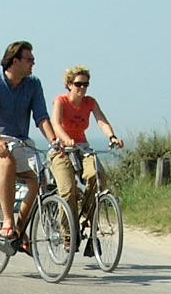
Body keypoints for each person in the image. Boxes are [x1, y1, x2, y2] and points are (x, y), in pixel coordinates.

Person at [0, 40, 64, 241]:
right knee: (7, 163)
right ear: (14, 61)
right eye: (29, 59)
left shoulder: (34, 84)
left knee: (37, 180)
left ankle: (20, 229)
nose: (33, 63)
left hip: (20, 141)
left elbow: (41, 117)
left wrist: (53, 140)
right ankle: (8, 221)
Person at [49, 65, 125, 241]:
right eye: (78, 84)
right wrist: (66, 139)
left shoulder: (90, 102)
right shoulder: (61, 101)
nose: (82, 88)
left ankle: (89, 213)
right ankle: (68, 235)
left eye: (86, 84)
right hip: (63, 149)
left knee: (98, 177)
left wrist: (112, 136)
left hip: (82, 147)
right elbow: (56, 123)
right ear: (69, 85)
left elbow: (101, 120)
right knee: (67, 191)